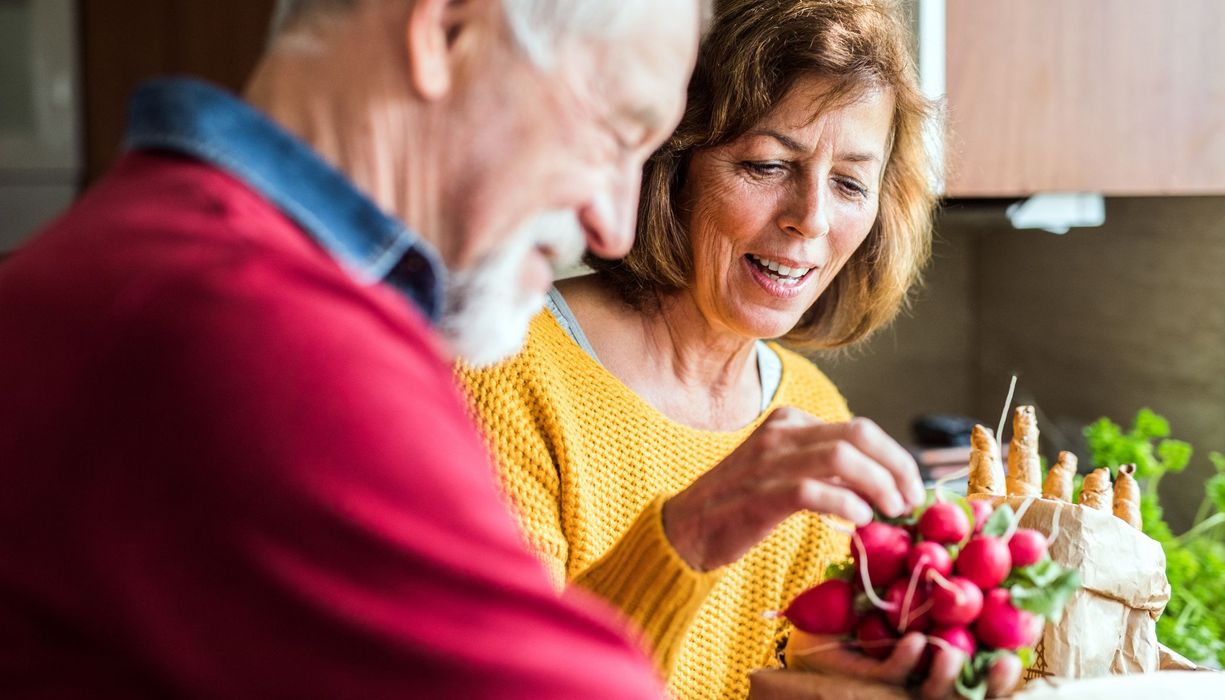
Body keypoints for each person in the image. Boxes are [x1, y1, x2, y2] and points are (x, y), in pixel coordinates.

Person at [0, 0, 704, 696]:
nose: (615, 225)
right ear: (447, 33)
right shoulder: (262, 331)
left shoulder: (151, 245)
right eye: (615, 134)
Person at [460, 0, 1021, 698]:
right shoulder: (501, 372)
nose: (809, 218)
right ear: (672, 164)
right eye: (765, 164)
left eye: (849, 182)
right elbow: (500, 681)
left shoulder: (812, 411)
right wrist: (685, 538)